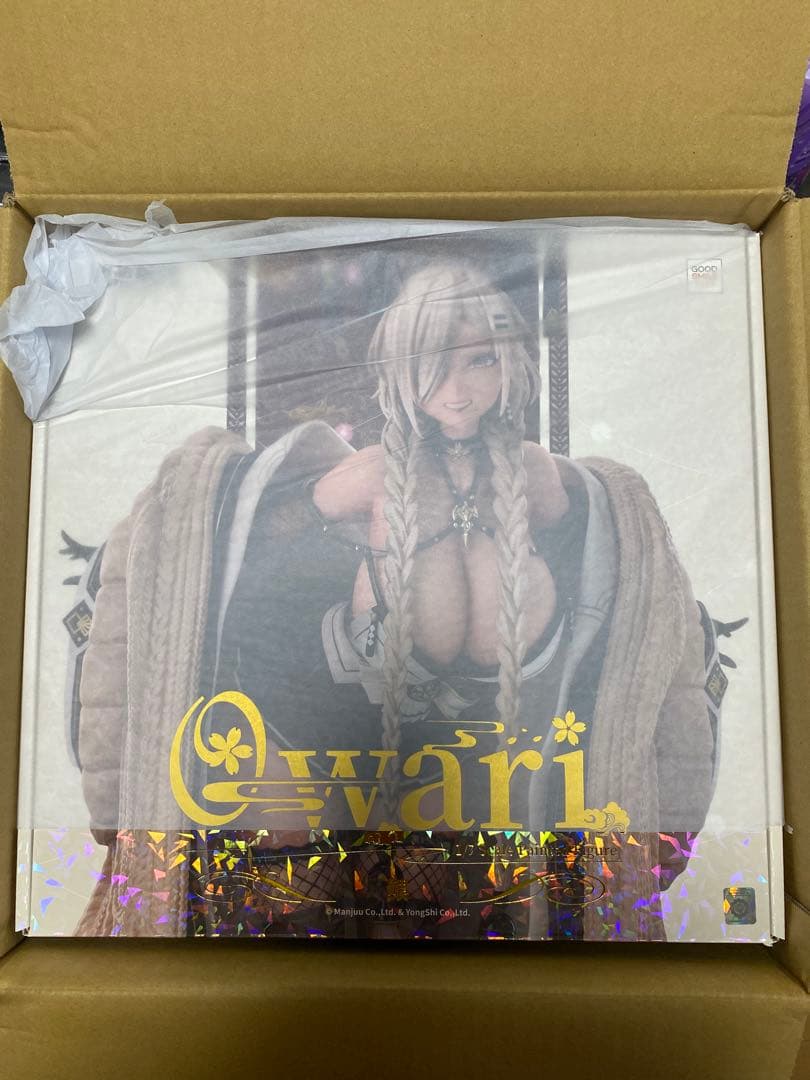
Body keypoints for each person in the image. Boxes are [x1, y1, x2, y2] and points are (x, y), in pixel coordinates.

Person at [75, 262, 721, 939]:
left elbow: (628, 578)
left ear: (509, 363)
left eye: (478, 360)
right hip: (337, 753)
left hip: (499, 777)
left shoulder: (539, 478)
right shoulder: (377, 474)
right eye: (430, 365)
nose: (456, 390)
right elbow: (250, 534)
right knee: (313, 913)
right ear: (398, 368)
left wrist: (661, 828)